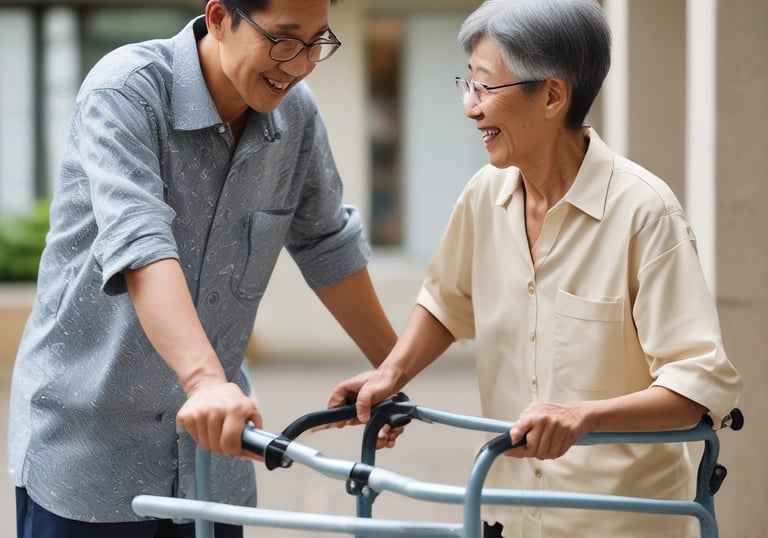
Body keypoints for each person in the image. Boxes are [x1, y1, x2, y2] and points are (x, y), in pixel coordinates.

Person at [328, 0, 742, 536]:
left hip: (618, 524)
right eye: (468, 85)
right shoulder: (484, 196)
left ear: (552, 95)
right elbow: (446, 303)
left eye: (485, 87)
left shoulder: (645, 212)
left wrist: (584, 417)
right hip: (506, 513)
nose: (470, 108)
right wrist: (390, 375)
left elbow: (700, 382)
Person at [7, 0, 398, 536]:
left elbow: (328, 243)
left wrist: (393, 370)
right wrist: (206, 382)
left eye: (316, 43)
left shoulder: (296, 115)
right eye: (283, 39)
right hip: (90, 453)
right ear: (218, 18)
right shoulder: (127, 91)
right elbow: (141, 243)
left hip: (213, 458)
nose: (300, 63)